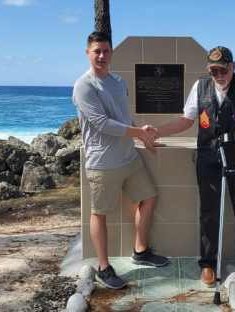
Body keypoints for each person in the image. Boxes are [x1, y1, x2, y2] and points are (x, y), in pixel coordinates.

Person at [154, 46, 235, 288]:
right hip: (208, 158)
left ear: (233, 66)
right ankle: (207, 263)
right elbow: (186, 120)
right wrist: (156, 132)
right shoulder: (200, 86)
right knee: (209, 212)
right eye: (213, 71)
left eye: (223, 69)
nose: (219, 75)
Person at [72, 31, 168, 290]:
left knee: (149, 196)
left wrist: (143, 138)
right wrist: (139, 132)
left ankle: (140, 251)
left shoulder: (118, 81)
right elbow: (102, 124)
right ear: (88, 53)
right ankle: (104, 268)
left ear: (112, 53)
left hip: (129, 158)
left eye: (106, 51)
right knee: (99, 213)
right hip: (103, 163)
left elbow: (124, 117)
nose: (102, 56)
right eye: (97, 51)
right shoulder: (84, 85)